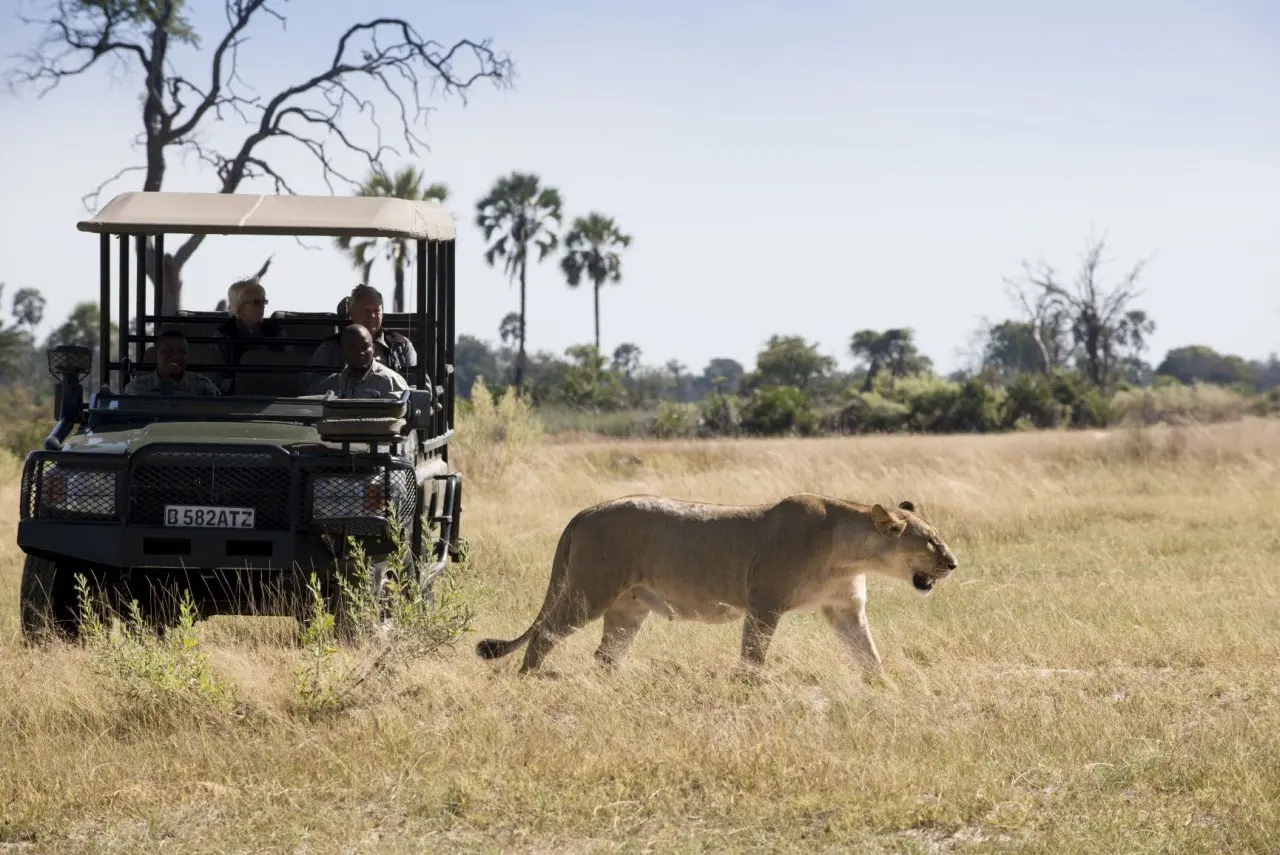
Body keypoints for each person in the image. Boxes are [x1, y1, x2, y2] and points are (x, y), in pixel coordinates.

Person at [308, 284, 417, 378]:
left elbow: (418, 385)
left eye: (376, 310)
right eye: (366, 310)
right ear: (351, 313)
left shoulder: (401, 346)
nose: (372, 315)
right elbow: (311, 385)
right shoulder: (332, 347)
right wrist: (348, 380)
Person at [214, 276, 286, 393]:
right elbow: (219, 379)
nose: (262, 306)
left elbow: (289, 366)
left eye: (264, 301)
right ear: (239, 306)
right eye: (256, 302)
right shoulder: (224, 335)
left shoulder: (276, 332)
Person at [309, 324, 410, 399]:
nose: (361, 353)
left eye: (365, 347)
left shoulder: (391, 381)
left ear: (373, 348)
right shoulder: (334, 383)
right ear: (343, 353)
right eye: (353, 348)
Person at [125, 329, 221, 396]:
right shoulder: (138, 388)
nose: (175, 356)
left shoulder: (203, 386)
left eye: (181, 352)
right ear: (155, 355)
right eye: (167, 352)